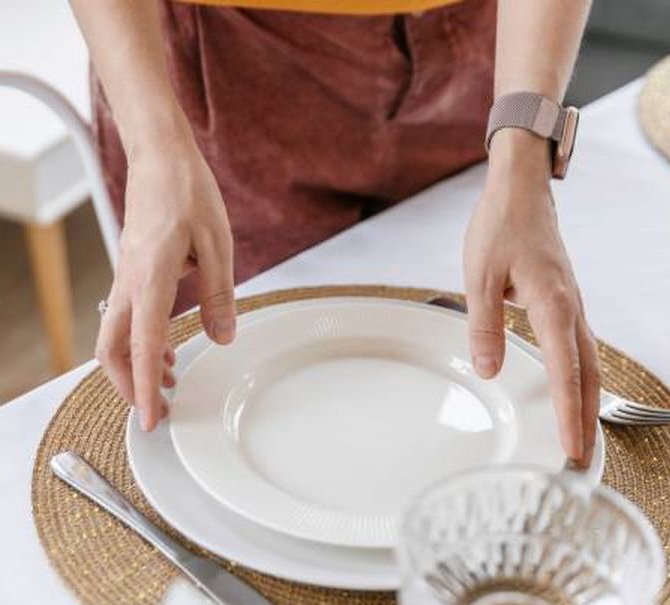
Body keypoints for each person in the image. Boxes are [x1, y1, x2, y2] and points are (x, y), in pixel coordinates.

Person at [71, 0, 600, 468]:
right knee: (248, 415)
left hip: (488, 53)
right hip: (223, 63)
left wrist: (525, 147)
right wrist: (154, 145)